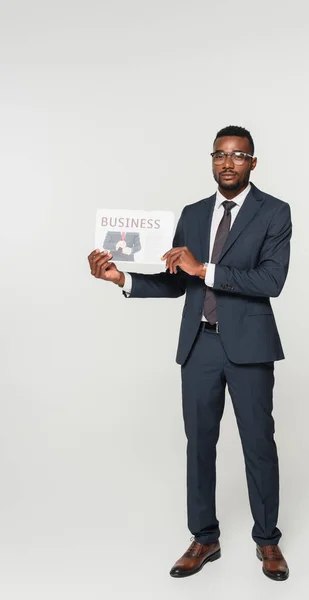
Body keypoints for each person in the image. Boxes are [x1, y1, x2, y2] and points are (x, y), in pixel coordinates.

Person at [88, 125, 292, 581]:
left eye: (238, 156)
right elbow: (178, 280)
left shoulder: (275, 213)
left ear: (252, 163)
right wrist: (121, 279)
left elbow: (270, 281)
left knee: (258, 445)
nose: (227, 162)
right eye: (220, 154)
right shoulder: (193, 213)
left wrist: (206, 268)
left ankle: (268, 541)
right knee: (199, 445)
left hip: (250, 346)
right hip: (199, 344)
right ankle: (204, 537)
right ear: (212, 160)